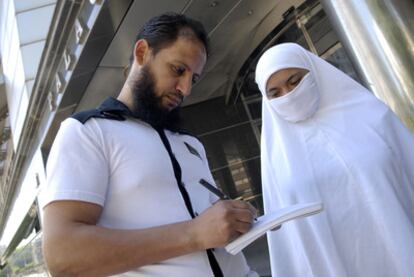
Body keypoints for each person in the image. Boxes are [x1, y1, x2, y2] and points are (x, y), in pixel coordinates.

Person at [41, 13, 259, 277]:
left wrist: (234, 219)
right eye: (178, 70)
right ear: (142, 52)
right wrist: (194, 234)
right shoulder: (88, 132)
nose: (185, 88)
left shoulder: (189, 142)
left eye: (194, 78)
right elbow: (63, 257)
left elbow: (212, 227)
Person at [256, 43, 414, 277]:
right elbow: (290, 239)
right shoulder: (276, 158)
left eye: (294, 81)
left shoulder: (372, 115)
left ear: (313, 70)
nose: (289, 96)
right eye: (275, 93)